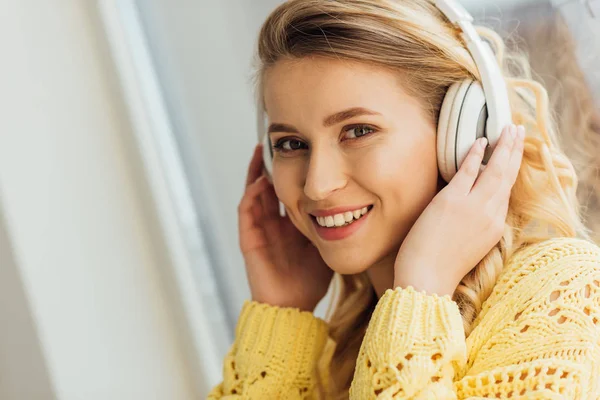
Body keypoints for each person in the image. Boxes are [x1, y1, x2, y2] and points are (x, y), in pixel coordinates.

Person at [208, 0, 600, 398]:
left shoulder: (562, 293)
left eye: (358, 131)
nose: (316, 186)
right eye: (291, 143)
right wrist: (281, 317)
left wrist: (421, 288)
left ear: (462, 132)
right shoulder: (329, 358)